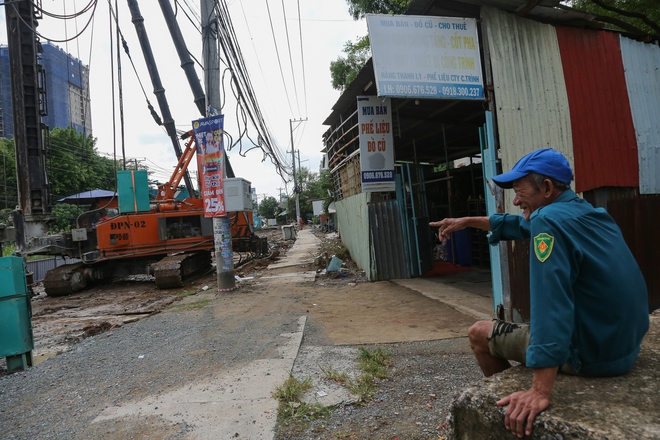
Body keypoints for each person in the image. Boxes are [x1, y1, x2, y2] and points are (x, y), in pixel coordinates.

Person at [430, 148, 649, 438]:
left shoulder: (547, 222)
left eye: (520, 192)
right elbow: (520, 224)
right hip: (623, 345)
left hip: (592, 353)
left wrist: (539, 390)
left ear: (546, 187)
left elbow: (551, 304)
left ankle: (505, 418)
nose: (516, 200)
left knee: (478, 333)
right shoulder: (585, 211)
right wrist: (467, 221)